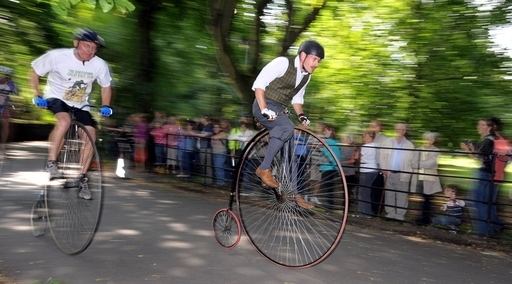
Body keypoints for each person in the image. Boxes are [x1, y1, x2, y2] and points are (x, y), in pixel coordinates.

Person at [31, 28, 113, 200]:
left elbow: (106, 86)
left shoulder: (99, 64)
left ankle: (82, 177)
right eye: (86, 46)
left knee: (91, 134)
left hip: (80, 104)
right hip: (56, 97)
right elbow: (35, 72)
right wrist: (36, 95)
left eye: (94, 48)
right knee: (64, 122)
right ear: (76, 43)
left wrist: (106, 105)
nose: (90, 51)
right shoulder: (57, 56)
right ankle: (52, 163)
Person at [251, 39, 324, 209]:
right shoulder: (282, 63)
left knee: (290, 154)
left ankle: (294, 194)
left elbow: (297, 99)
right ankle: (264, 169)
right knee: (286, 127)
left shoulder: (306, 77)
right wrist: (264, 109)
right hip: (263, 105)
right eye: (315, 59)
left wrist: (301, 115)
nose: (317, 64)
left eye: (319, 61)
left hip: (280, 111)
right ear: (303, 55)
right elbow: (259, 85)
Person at [460, 118, 503, 236]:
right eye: (478, 124)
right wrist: (473, 150)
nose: (478, 126)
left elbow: (479, 160)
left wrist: (467, 150)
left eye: (482, 125)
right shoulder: (488, 140)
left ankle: (482, 232)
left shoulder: (488, 140)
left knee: (477, 202)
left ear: (489, 127)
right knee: (482, 202)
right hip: (488, 174)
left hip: (483, 174)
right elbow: (484, 157)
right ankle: (487, 230)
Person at [379, 123, 414, 220]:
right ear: (394, 131)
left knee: (402, 195)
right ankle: (390, 214)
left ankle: (400, 215)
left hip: (402, 174)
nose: (399, 131)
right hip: (389, 172)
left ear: (404, 131)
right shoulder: (387, 142)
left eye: (401, 130)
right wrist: (384, 168)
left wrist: (409, 172)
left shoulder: (410, 145)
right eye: (397, 130)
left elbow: (412, 161)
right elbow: (382, 155)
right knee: (389, 194)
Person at [410, 132, 442, 225]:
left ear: (433, 141)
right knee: (420, 199)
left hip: (429, 178)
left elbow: (432, 163)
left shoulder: (436, 151)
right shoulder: (418, 150)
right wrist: (424, 163)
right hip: (418, 178)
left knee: (427, 199)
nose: (427, 140)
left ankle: (426, 220)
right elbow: (413, 164)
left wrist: (420, 163)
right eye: (425, 138)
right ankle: (420, 218)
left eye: (429, 138)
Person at [356, 130, 379, 218]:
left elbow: (357, 157)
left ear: (370, 137)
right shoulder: (376, 145)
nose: (363, 137)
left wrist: (357, 152)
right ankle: (367, 212)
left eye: (365, 136)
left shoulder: (366, 146)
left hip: (366, 170)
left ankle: (364, 213)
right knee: (367, 191)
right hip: (373, 169)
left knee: (363, 192)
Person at [318, 125, 342, 210]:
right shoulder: (335, 142)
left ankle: (327, 207)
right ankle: (329, 206)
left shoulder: (328, 142)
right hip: (333, 168)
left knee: (326, 188)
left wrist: (322, 159)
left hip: (327, 167)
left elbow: (327, 156)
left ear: (331, 131)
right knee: (330, 188)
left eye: (326, 130)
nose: (324, 132)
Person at [369, 120, 388, 215]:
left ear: (379, 127)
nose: (372, 128)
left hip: (379, 167)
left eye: (374, 126)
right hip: (370, 167)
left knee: (378, 189)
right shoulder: (369, 137)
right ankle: (371, 209)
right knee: (371, 189)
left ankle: (378, 210)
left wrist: (383, 167)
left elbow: (385, 154)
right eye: (371, 126)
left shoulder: (384, 139)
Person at [0, 66, 18, 145]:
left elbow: (16, 94)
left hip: (4, 106)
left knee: (6, 125)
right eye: (3, 74)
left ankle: (3, 145)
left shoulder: (11, 84)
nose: (4, 76)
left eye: (7, 75)